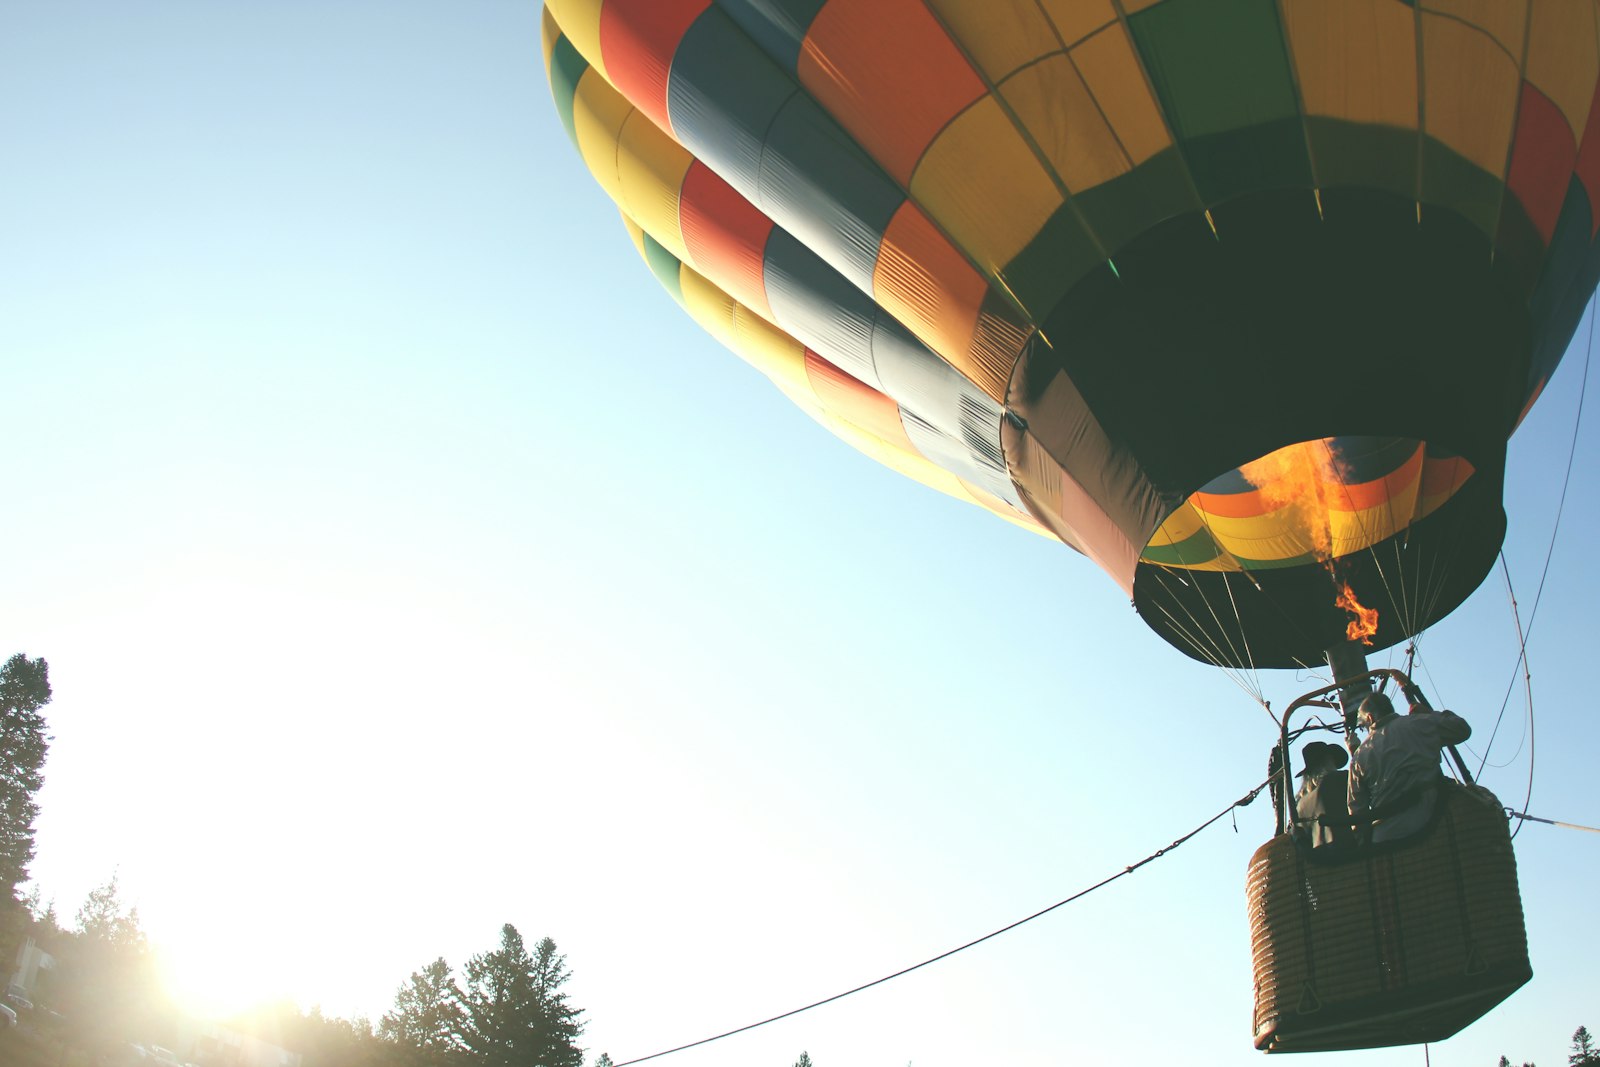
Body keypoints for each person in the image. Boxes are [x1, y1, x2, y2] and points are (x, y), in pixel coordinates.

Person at [1348, 691, 1471, 844]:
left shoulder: (1360, 755)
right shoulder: (1420, 723)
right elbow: (1462, 729)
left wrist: (1362, 843)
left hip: (1386, 835)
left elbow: (1357, 809)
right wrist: (1429, 713)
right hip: (1434, 822)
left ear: (1370, 718)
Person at [1294, 740, 1350, 848]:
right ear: (1328, 760)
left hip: (1321, 860)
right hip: (1351, 852)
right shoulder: (1340, 780)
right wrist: (1355, 752)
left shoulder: (1300, 805)